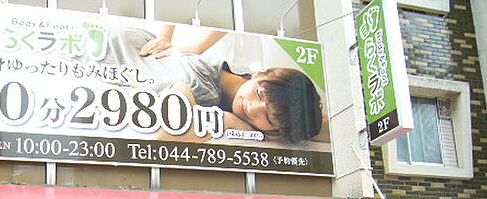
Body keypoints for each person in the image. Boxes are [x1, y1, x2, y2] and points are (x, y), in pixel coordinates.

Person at [99, 26, 327, 144]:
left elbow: (321, 126)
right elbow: (162, 142)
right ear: (259, 73)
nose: (252, 109)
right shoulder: (200, 86)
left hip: (124, 51)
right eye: (259, 95)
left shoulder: (240, 77)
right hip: (112, 53)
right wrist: (225, 123)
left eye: (267, 117)